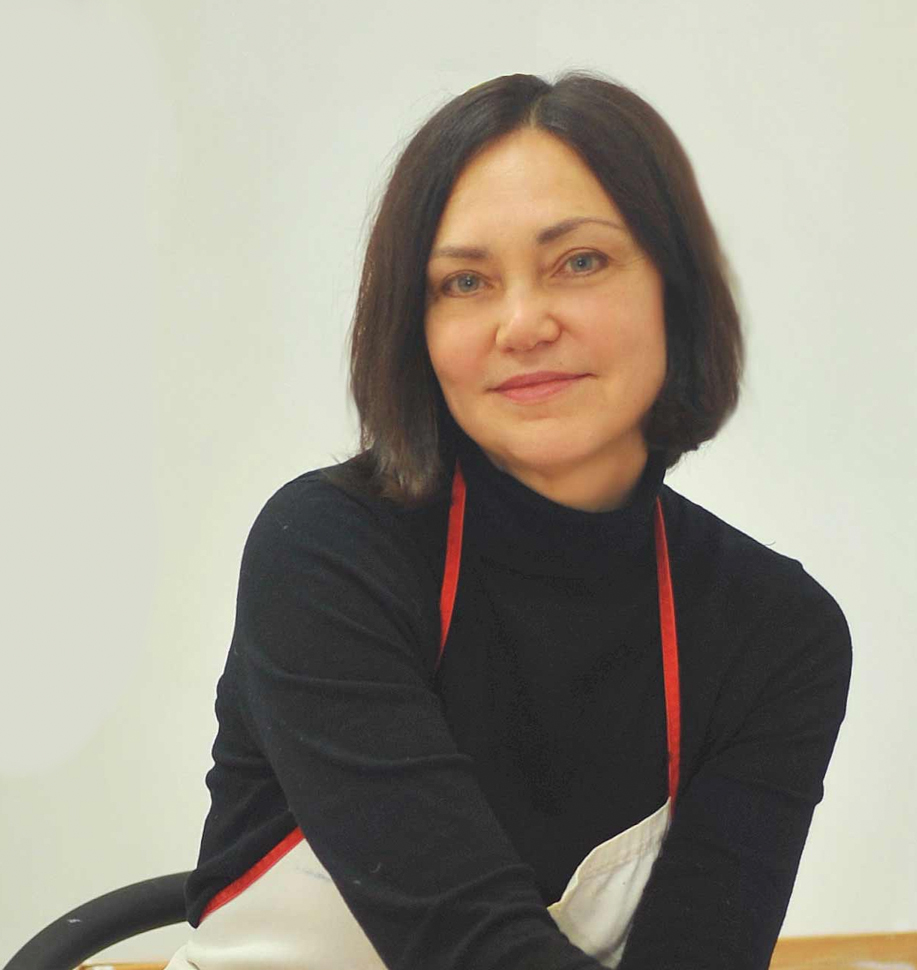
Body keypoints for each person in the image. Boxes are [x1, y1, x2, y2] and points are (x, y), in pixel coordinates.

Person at [165, 70, 852, 970]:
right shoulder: (326, 554)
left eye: (580, 262)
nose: (522, 323)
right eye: (465, 282)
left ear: (676, 291)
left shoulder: (775, 634)